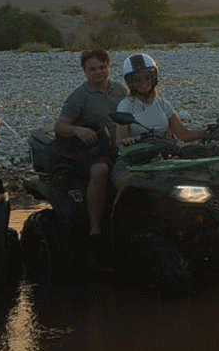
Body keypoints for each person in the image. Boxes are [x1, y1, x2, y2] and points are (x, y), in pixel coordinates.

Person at [54, 48, 128, 237]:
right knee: (100, 171)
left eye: (102, 67)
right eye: (92, 69)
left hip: (124, 144)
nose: (98, 72)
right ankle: (95, 228)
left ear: (109, 67)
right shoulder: (80, 95)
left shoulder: (120, 90)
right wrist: (77, 129)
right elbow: (60, 126)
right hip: (97, 148)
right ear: (85, 71)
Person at [115, 53, 203, 143]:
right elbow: (120, 141)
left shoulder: (163, 104)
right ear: (130, 82)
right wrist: (128, 141)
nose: (143, 83)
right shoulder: (126, 105)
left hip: (164, 152)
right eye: (137, 80)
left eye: (147, 77)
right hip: (138, 154)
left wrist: (208, 132)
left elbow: (184, 134)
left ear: (154, 77)